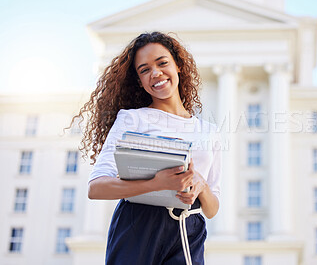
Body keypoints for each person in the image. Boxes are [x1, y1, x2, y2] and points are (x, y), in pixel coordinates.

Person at [71, 31, 221, 265]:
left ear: (178, 66)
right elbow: (96, 188)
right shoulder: (132, 119)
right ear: (139, 81)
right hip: (138, 225)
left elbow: (212, 209)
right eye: (144, 70)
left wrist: (200, 184)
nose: (156, 73)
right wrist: (157, 184)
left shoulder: (209, 131)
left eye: (162, 63)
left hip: (188, 229)